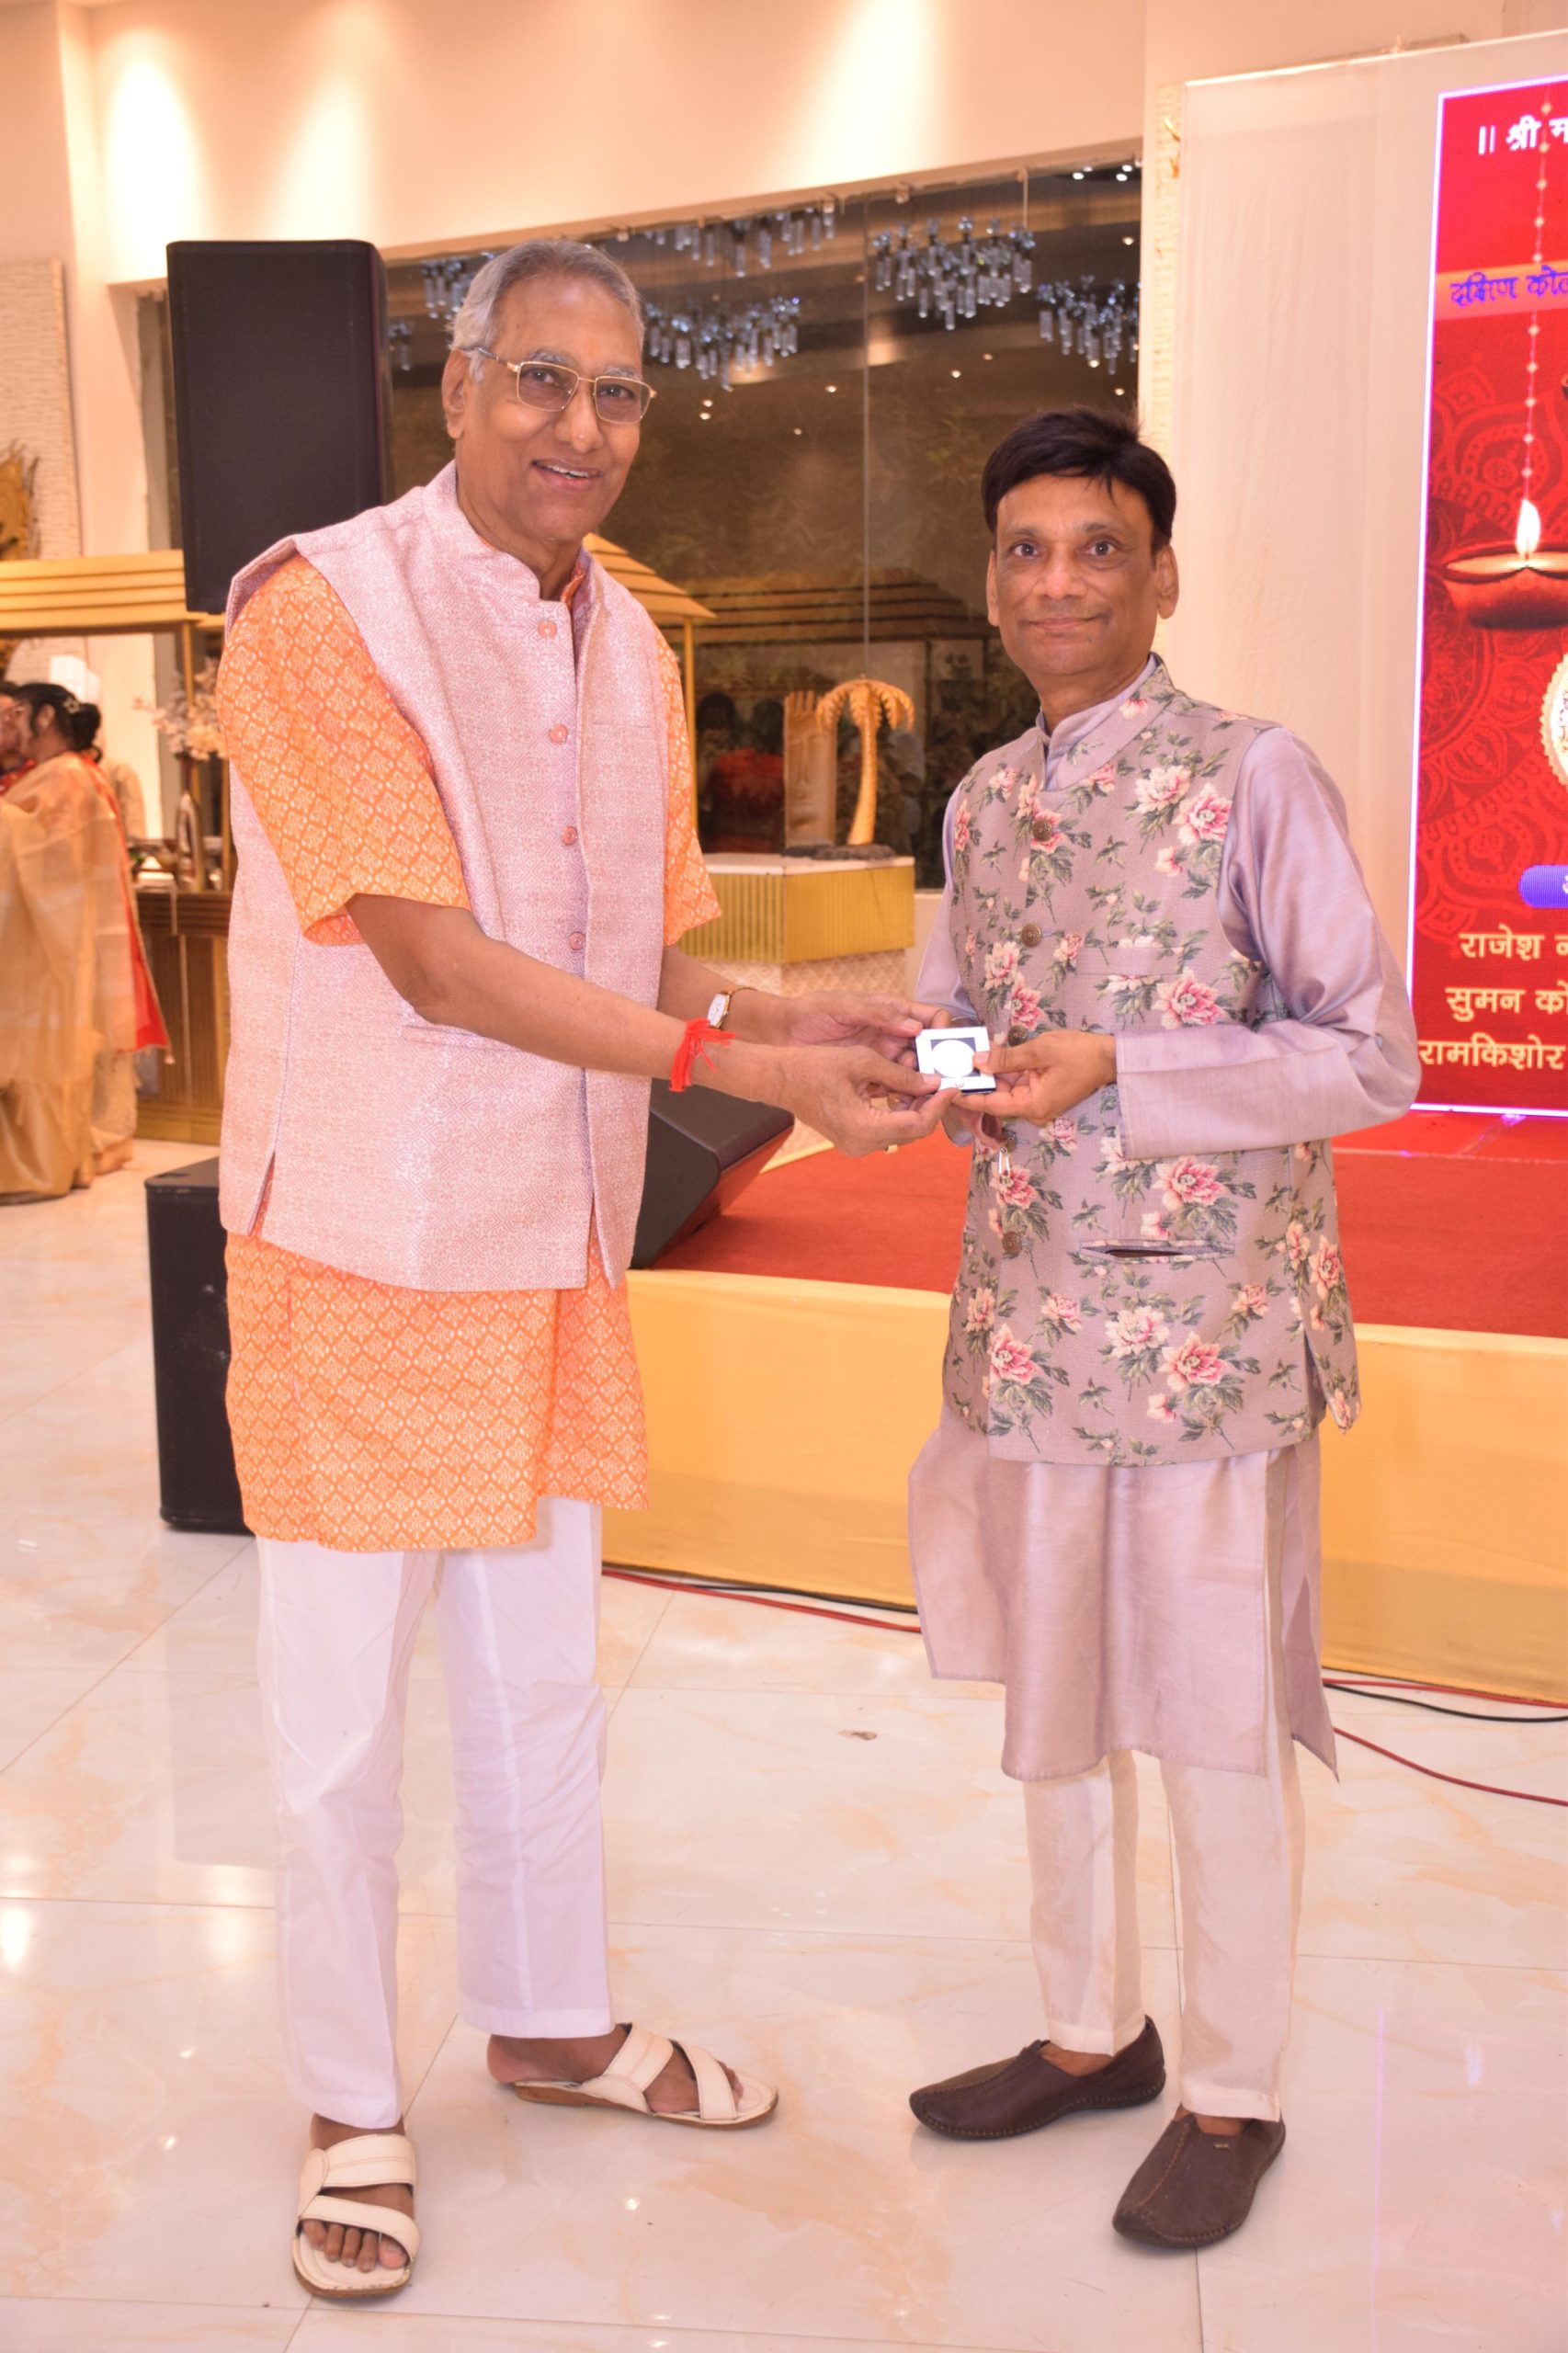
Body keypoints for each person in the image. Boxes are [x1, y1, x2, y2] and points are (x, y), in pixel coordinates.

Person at [213, 237, 945, 2301]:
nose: (581, 427)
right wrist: (743, 1064)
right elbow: (438, 965)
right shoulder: (319, 609)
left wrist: (797, 1026)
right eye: (539, 379)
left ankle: (544, 2018)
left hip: (549, 1235)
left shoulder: (625, 638)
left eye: (618, 392)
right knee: (341, 1716)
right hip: (364, 1238)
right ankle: (349, 2094)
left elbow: (643, 956)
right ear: (454, 391)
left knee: (541, 1668)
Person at [905, 408, 1418, 2248]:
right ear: (992, 580)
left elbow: (1367, 1053)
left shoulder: (1252, 773)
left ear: (1162, 574)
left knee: (1207, 1718)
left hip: (1205, 1332)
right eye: (1026, 549)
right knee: (1054, 1701)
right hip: (1031, 1321)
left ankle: (1233, 2088)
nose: (1059, 582)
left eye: (1098, 547)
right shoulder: (978, 797)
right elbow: (967, 1021)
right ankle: (1085, 2028)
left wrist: (1123, 1065)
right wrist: (920, 1069)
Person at [0, 681, 165, 1197]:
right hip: (46, 948)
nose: (11, 723)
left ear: (45, 717)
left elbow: (48, 857)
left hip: (49, 953)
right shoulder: (58, 773)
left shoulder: (67, 775)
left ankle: (42, 1163)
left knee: (40, 1058)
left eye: (18, 712)